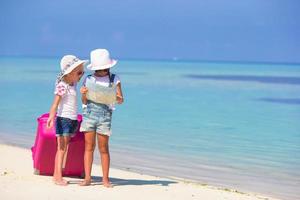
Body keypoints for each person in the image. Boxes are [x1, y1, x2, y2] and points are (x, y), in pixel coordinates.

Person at [79, 49, 124, 187]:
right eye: (98, 70)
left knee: (103, 148)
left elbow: (121, 100)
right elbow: (84, 101)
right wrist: (83, 93)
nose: (101, 72)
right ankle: (87, 178)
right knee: (89, 147)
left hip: (105, 116)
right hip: (89, 115)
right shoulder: (89, 79)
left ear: (108, 67)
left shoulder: (114, 79)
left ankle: (105, 179)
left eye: (103, 69)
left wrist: (115, 97)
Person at [47, 55, 87, 186]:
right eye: (79, 72)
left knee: (64, 148)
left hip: (72, 120)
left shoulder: (73, 83)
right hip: (63, 119)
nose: (81, 75)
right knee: (62, 149)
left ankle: (56, 175)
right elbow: (55, 104)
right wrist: (51, 117)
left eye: (83, 72)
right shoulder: (62, 85)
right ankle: (57, 176)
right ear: (69, 73)